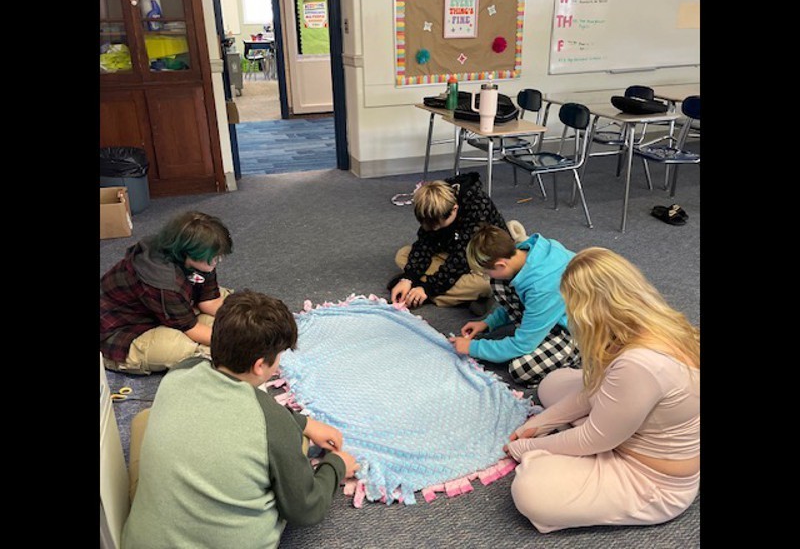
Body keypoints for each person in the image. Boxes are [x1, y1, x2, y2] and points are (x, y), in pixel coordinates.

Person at [122, 290, 359, 549]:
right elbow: (307, 509)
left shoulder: (182, 370)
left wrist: (305, 423)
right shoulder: (272, 422)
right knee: (289, 454)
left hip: (138, 543)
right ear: (260, 366)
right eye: (279, 356)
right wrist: (336, 466)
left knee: (145, 420)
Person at [504, 247, 700, 533]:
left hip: (650, 478)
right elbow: (596, 388)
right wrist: (542, 423)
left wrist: (527, 446)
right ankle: (589, 432)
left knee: (530, 489)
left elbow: (594, 438)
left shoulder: (640, 364)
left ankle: (581, 448)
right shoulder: (649, 323)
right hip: (629, 424)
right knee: (552, 382)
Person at [100, 211, 234, 375]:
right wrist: (237, 342)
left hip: (159, 309)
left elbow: (210, 300)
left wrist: (238, 321)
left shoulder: (197, 258)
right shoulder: (164, 281)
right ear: (188, 254)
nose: (217, 261)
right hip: (120, 330)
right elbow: (191, 328)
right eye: (214, 258)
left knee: (229, 305)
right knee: (177, 349)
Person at [449, 223, 580, 387]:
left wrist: (472, 347)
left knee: (522, 369)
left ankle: (582, 360)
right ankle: (539, 332)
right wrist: (488, 323)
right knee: (499, 282)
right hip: (556, 310)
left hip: (582, 331)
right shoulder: (524, 252)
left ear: (500, 265)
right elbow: (526, 304)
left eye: (486, 272)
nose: (485, 276)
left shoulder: (542, 288)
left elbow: (522, 345)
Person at [388, 172, 527, 311]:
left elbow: (462, 258)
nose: (434, 230)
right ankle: (456, 296)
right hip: (451, 250)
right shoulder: (434, 204)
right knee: (403, 254)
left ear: (455, 209)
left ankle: (424, 294)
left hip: (480, 260)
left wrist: (427, 288)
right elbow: (425, 244)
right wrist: (408, 278)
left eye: (439, 226)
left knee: (483, 285)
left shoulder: (477, 206)